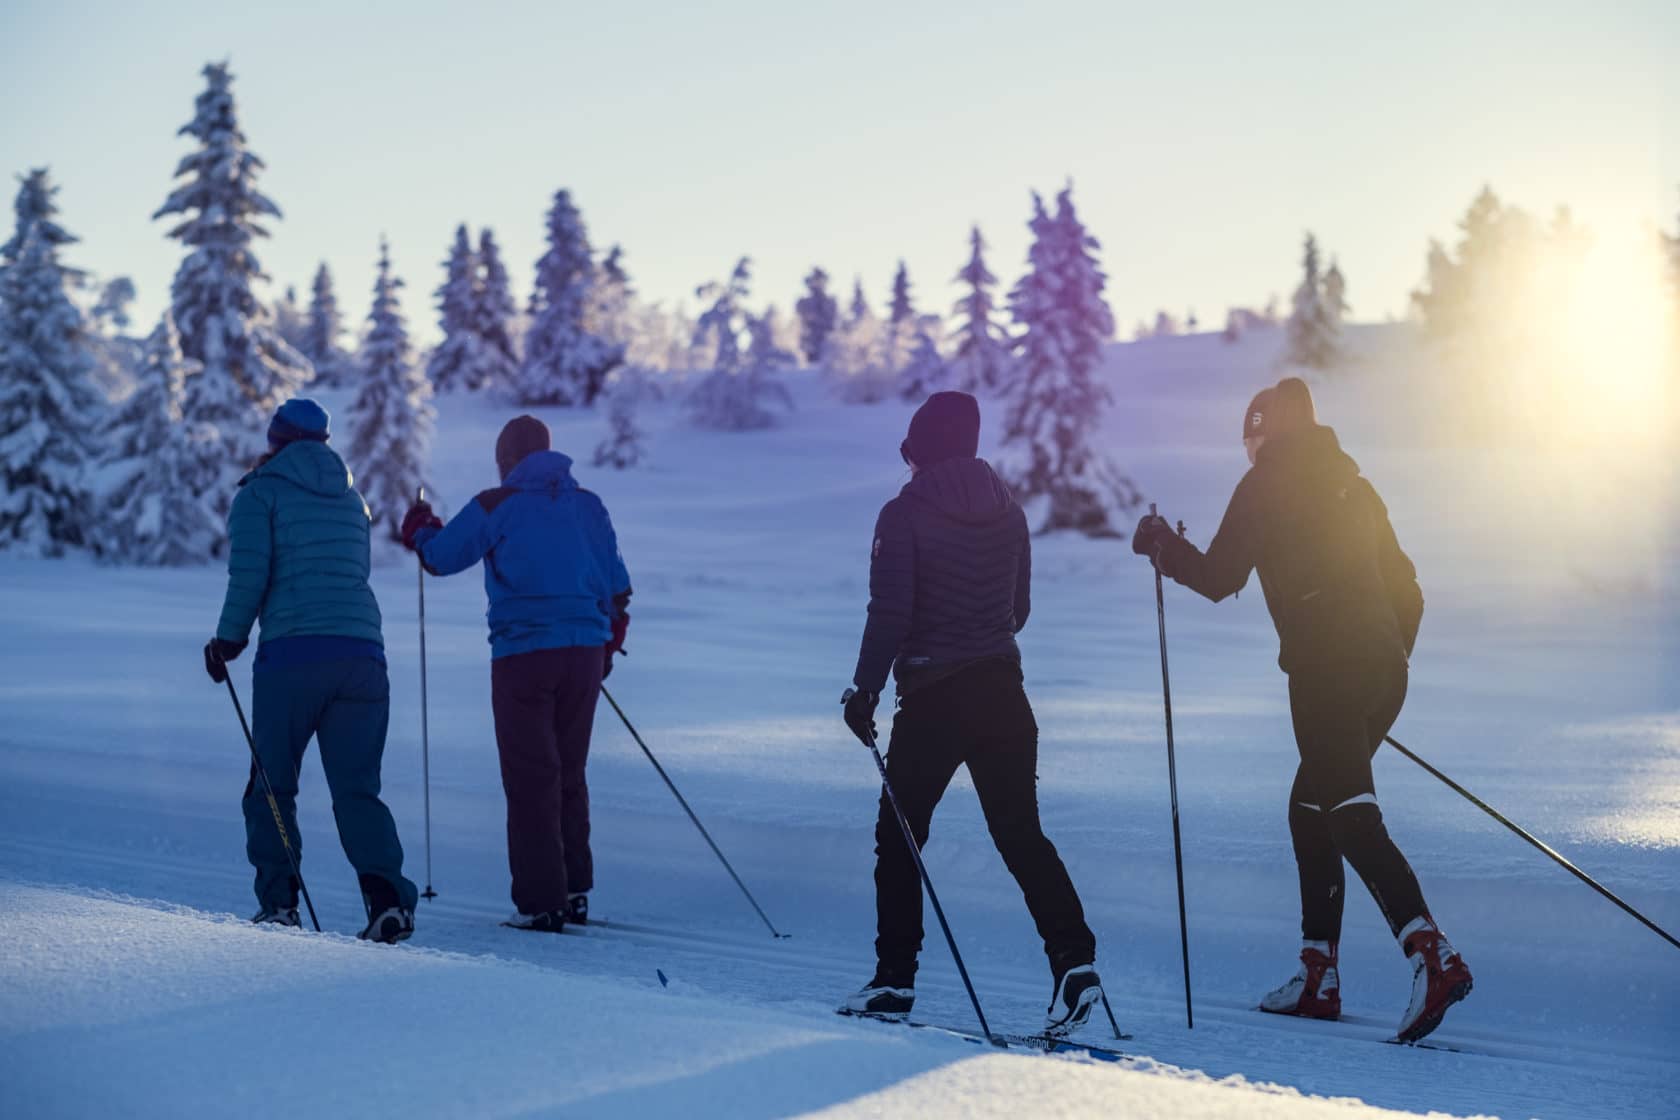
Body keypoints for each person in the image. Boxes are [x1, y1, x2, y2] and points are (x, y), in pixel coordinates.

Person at [1132, 376, 1472, 1044]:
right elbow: (1408, 590)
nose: (1248, 451)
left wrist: (1161, 547)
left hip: (1325, 671)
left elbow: (1219, 577)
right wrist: (1383, 659)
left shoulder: (1266, 483)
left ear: (1265, 433)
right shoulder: (1354, 485)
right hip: (1382, 672)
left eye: (1249, 439)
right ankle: (1318, 976)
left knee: (1348, 814)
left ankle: (1432, 956)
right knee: (1311, 809)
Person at [840, 391, 1105, 1036]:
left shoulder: (902, 514)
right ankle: (1075, 964)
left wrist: (864, 690)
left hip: (933, 698)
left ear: (923, 449)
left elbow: (890, 611)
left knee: (901, 836)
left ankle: (894, 980)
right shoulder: (1008, 510)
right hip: (1003, 693)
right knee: (1021, 835)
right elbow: (1019, 612)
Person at [401, 415, 631, 933]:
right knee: (569, 771)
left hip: (523, 656)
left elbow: (440, 557)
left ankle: (540, 902)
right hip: (584, 654)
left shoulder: (497, 503)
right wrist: (606, 643)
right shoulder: (589, 505)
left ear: (506, 459)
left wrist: (420, 528)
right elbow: (618, 586)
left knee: (532, 776)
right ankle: (573, 890)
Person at [204, 397, 418, 944]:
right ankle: (388, 902)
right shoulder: (352, 499)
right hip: (363, 657)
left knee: (272, 785)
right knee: (358, 790)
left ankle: (279, 905)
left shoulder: (260, 493)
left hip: (294, 658)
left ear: (274, 441)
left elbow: (249, 575)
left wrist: (228, 640)